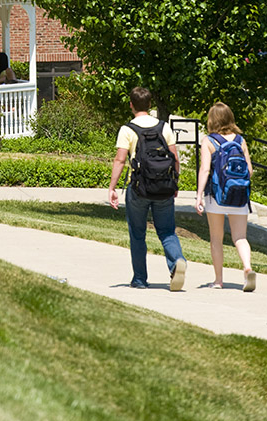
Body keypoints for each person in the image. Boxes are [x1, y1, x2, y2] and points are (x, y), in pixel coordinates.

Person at [109, 86, 187, 291]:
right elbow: (175, 159)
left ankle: (140, 279)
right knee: (167, 231)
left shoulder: (127, 129)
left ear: (131, 105)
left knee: (137, 233)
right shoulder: (164, 127)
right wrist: (174, 182)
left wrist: (112, 187)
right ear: (150, 105)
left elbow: (120, 159)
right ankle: (177, 260)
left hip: (138, 188)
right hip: (163, 188)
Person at [195, 102, 256, 292]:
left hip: (217, 196)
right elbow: (250, 171)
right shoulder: (240, 140)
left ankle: (218, 280)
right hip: (239, 197)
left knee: (216, 238)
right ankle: (247, 267)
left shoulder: (209, 141)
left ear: (212, 119)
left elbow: (205, 169)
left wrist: (199, 196)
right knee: (240, 237)